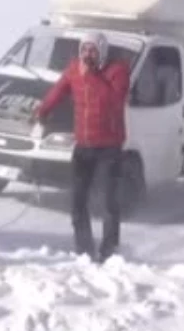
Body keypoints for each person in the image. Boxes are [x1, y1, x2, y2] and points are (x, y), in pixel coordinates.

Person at [33, 31, 131, 261]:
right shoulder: (75, 68)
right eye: (85, 49)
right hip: (84, 146)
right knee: (78, 200)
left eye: (93, 50)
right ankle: (84, 248)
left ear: (102, 52)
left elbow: (114, 101)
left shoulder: (118, 71)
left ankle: (109, 250)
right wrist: (42, 111)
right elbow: (58, 91)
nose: (88, 55)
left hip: (109, 146)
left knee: (109, 200)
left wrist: (92, 76)